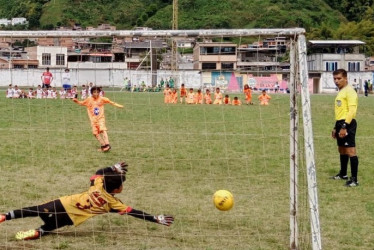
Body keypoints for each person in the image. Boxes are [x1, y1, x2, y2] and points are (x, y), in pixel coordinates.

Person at [0, 162, 174, 240]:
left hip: (62, 204)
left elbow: (97, 172)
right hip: (70, 218)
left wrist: (112, 168)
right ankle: (36, 233)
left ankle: (4, 216)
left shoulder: (97, 185)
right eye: (121, 185)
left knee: (33, 210)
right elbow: (133, 212)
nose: (122, 187)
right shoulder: (113, 203)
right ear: (115, 190)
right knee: (48, 228)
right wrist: (154, 218)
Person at [331, 69, 359, 187]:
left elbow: (351, 111)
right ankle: (343, 174)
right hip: (340, 123)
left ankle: (354, 180)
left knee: (350, 151)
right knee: (341, 149)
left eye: (339, 78)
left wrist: (344, 126)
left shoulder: (350, 91)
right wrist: (335, 127)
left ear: (346, 78)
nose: (336, 81)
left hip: (348, 123)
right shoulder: (341, 91)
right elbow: (341, 111)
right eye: (335, 79)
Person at [73, 86, 124, 152]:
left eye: (97, 92)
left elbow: (111, 102)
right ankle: (103, 145)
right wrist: (75, 100)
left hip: (100, 118)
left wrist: (118, 105)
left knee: (103, 130)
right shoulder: (89, 99)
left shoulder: (102, 99)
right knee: (95, 133)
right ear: (91, 93)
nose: (96, 93)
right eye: (94, 92)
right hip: (93, 120)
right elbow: (81, 103)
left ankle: (108, 144)